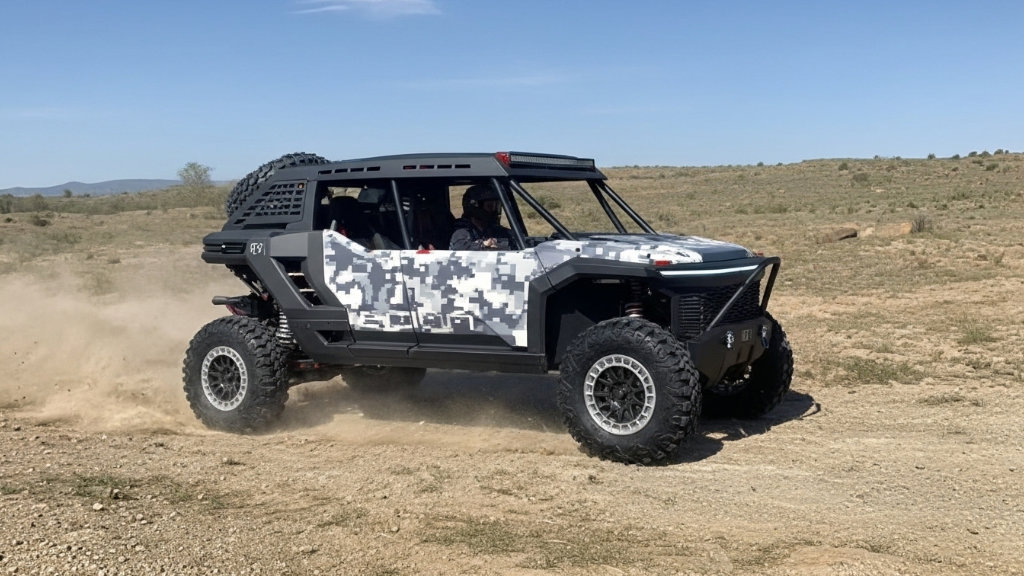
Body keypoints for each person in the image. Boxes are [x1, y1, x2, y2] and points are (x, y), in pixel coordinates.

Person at [449, 185, 517, 250]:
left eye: (496, 206)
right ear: (475, 207)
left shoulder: (491, 228)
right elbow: (461, 248)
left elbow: (514, 239)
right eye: (490, 206)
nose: (494, 210)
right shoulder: (461, 230)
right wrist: (484, 245)